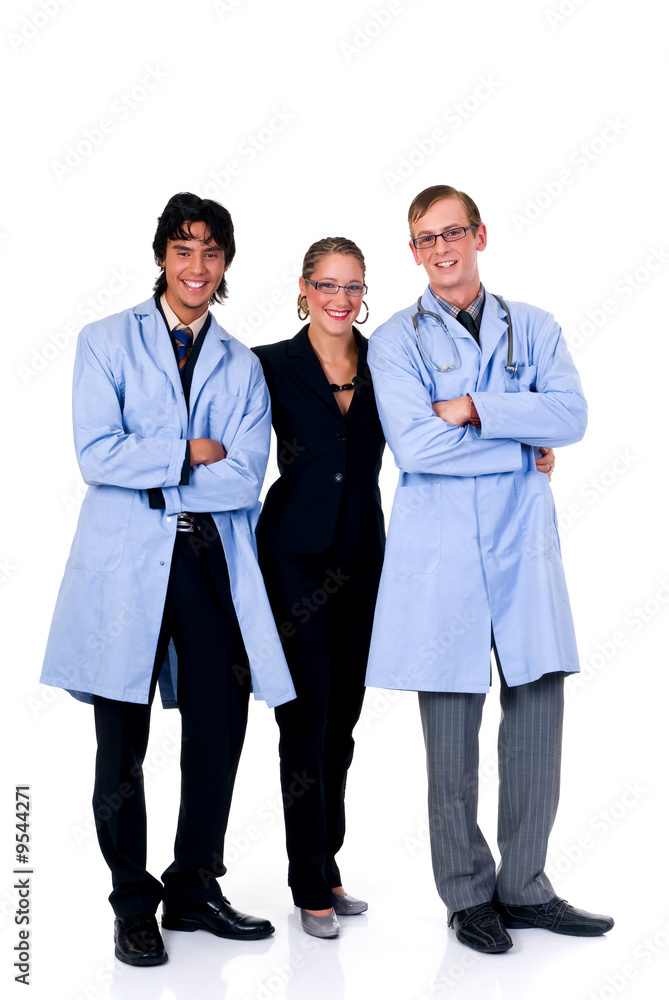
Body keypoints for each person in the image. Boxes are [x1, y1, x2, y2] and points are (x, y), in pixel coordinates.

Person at [40, 192, 295, 967]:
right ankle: (131, 903)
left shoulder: (241, 364)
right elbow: (96, 455)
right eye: (184, 250)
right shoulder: (104, 342)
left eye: (211, 252)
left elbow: (243, 478)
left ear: (225, 264)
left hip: (207, 559)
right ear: (162, 257)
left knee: (219, 724)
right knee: (121, 736)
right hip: (124, 565)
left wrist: (153, 468)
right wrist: (188, 453)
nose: (197, 266)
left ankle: (192, 886)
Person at [364, 185, 614, 954]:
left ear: (478, 235)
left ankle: (525, 888)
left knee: (537, 716)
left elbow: (570, 417)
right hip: (441, 558)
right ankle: (467, 895)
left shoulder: (532, 325)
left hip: (523, 550)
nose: (440, 249)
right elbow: (415, 447)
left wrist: (474, 406)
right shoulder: (395, 341)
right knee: (450, 738)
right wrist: (520, 441)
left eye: (452, 233)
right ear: (412, 252)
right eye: (424, 238)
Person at [252, 238, 386, 939]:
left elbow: (436, 425)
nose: (340, 298)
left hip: (363, 554)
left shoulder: (387, 360)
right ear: (304, 288)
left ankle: (327, 862)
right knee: (304, 718)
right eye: (327, 285)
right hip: (293, 558)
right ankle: (308, 882)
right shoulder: (269, 363)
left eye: (352, 286)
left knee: (345, 718)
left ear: (364, 293)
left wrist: (526, 446)